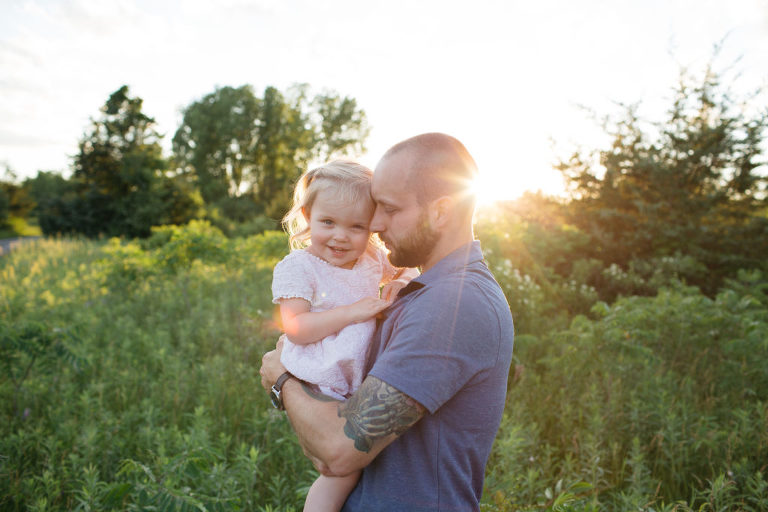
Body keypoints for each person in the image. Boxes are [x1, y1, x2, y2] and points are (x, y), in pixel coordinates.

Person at [260, 133, 515, 511]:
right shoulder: (425, 291)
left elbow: (337, 451)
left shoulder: (454, 304)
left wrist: (281, 379)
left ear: (441, 212)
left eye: (390, 209)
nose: (375, 223)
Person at [271, 160, 418, 511]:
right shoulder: (298, 266)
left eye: (357, 226)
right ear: (307, 216)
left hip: (360, 372)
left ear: (372, 226)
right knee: (341, 471)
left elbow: (410, 267)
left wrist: (400, 281)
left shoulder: (371, 257)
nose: (340, 236)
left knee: (372, 457)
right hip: (322, 372)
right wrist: (352, 312)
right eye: (328, 222)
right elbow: (296, 328)